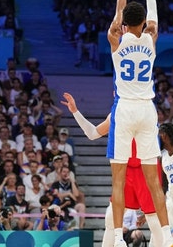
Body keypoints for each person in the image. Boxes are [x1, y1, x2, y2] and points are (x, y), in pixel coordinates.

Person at [106, 0, 173, 247]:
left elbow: (118, 11)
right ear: (142, 24)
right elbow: (154, 17)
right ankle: (169, 236)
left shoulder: (115, 38)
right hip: (148, 110)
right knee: (154, 181)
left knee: (118, 180)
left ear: (124, 23)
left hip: (124, 109)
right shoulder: (150, 38)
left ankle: (118, 238)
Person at [60, 92, 166, 247]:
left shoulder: (147, 109)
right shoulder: (115, 115)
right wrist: (75, 111)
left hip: (146, 167)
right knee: (110, 219)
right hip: (125, 168)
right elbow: (92, 133)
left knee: (155, 221)